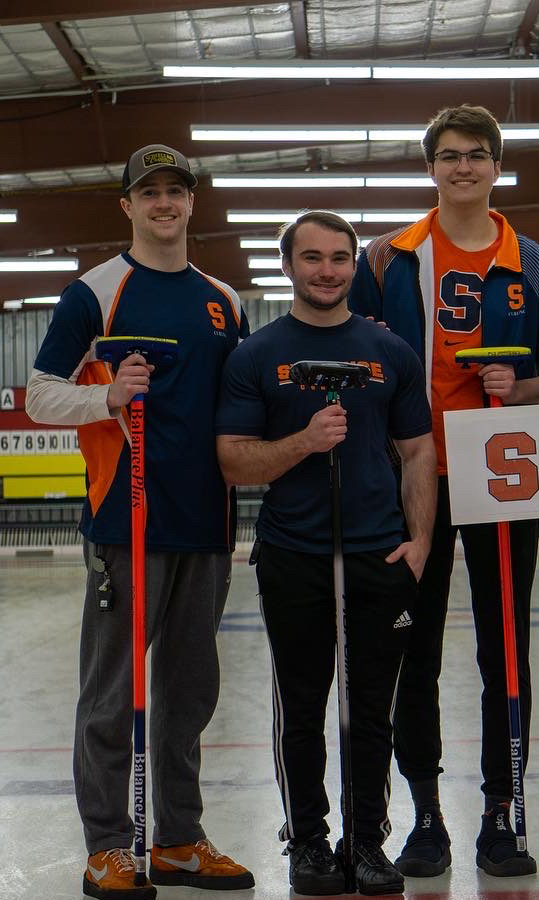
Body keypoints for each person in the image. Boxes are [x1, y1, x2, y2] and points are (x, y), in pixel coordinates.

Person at [348, 104, 539, 877]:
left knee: (503, 650)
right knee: (412, 649)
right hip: (413, 480)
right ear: (431, 166)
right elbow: (355, 353)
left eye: (477, 155)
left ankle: (500, 811)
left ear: (496, 165)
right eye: (449, 155)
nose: (463, 168)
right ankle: (424, 813)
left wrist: (521, 387)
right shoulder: (387, 259)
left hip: (504, 477)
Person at [25, 144, 254, 900]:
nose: (163, 204)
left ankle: (179, 838)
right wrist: (108, 399)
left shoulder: (224, 298)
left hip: (207, 522)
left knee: (189, 694)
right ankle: (107, 847)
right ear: (127, 205)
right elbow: (40, 395)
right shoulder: (94, 294)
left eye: (175, 192)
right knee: (111, 693)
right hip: (126, 521)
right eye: (148, 192)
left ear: (193, 202)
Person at [215, 211, 437, 896]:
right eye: (312, 257)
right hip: (294, 555)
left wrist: (422, 540)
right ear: (289, 266)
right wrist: (304, 443)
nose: (327, 269)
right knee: (304, 707)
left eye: (339, 257)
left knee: (372, 710)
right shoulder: (255, 355)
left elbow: (419, 449)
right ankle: (307, 841)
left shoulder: (389, 351)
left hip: (379, 558)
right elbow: (232, 462)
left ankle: (367, 842)